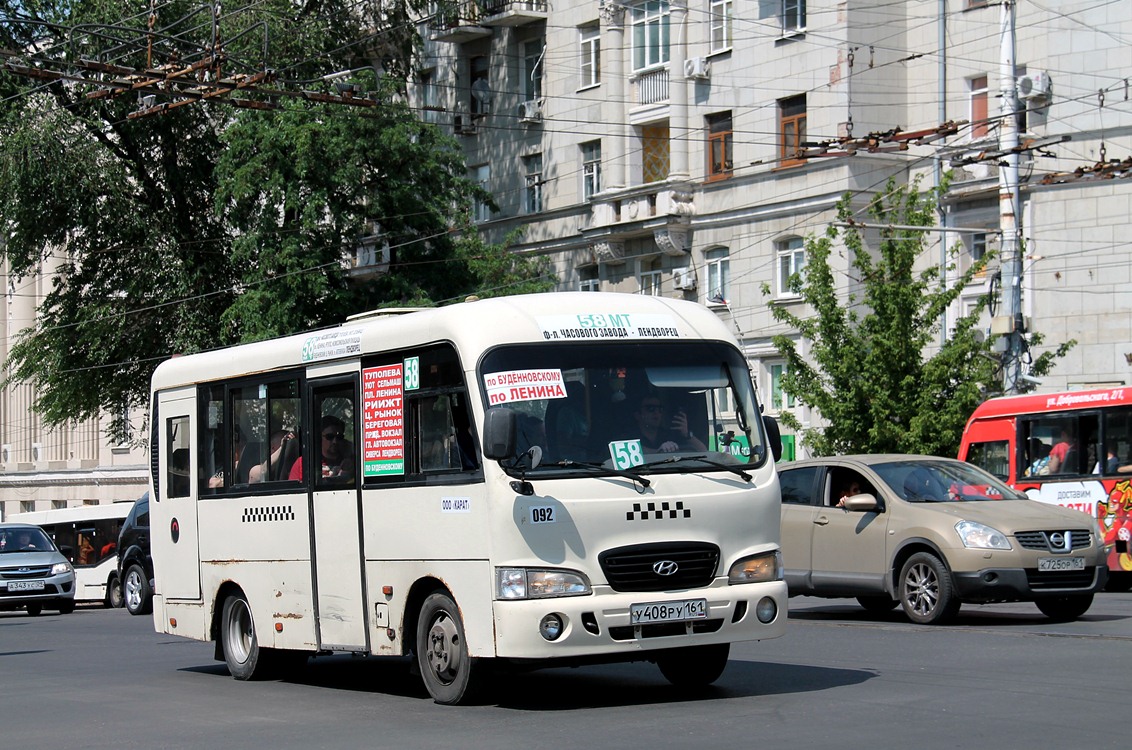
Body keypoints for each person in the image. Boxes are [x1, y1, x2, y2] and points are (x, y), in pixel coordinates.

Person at [632, 393, 707, 454]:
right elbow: (631, 452)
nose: (656, 413)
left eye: (660, 409)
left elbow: (703, 452)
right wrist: (659, 451)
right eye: (651, 409)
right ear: (638, 415)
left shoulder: (669, 436)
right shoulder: (630, 437)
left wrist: (687, 434)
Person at [290, 415, 354, 481]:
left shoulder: (352, 462)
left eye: (339, 437)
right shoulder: (304, 463)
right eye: (330, 437)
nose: (335, 441)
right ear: (319, 438)